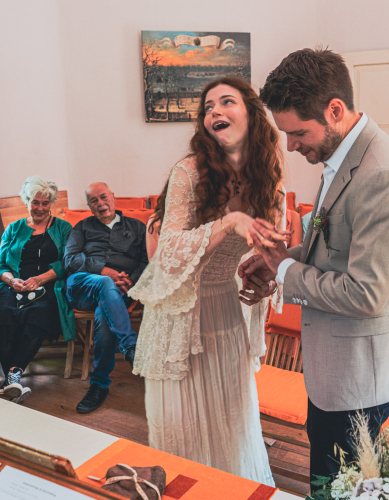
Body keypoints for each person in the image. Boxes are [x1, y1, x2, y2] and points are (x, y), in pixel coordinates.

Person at [239, 48, 389, 490]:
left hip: (359, 376)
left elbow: (366, 293)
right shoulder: (343, 156)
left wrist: (285, 272)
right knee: (328, 477)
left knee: (340, 488)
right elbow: (334, 248)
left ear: (335, 110)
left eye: (298, 132)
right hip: (337, 366)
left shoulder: (381, 175)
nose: (291, 145)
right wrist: (281, 261)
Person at [129, 77, 290, 485]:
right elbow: (168, 253)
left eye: (226, 102)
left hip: (225, 314)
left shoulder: (270, 183)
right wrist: (230, 221)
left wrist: (266, 281)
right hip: (180, 318)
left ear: (252, 114)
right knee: (183, 432)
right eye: (207, 107)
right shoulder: (189, 173)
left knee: (232, 426)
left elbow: (270, 255)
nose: (214, 111)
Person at [63, 182, 147, 414]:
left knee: (105, 313)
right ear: (89, 207)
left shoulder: (137, 227)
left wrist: (131, 281)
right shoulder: (81, 227)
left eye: (103, 197)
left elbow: (147, 261)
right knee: (105, 283)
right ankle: (130, 345)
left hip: (121, 291)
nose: (100, 203)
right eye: (94, 201)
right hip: (83, 286)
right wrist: (103, 271)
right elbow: (69, 260)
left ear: (113, 197)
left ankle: (99, 385)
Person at [0, 176, 73, 403]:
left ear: (51, 203)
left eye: (45, 203)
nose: (40, 208)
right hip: (14, 285)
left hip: (48, 286)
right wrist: (12, 281)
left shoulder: (63, 228)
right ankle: (12, 381)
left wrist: (41, 279)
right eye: (35, 202)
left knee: (38, 314)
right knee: (4, 313)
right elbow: (1, 264)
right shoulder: (14, 228)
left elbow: (70, 262)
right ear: (27, 201)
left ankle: (11, 377)